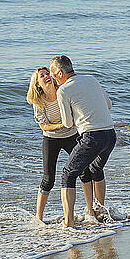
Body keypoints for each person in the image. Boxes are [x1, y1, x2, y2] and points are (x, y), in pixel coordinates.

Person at [49, 55, 117, 227]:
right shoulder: (91, 79)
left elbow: (66, 123)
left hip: (92, 137)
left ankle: (68, 222)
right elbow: (108, 104)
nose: (50, 76)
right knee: (96, 169)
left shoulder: (63, 90)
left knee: (68, 173)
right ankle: (100, 212)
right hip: (110, 134)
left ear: (59, 73)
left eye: (51, 72)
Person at [26, 67, 92, 222]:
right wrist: (62, 125)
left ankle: (91, 211)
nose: (46, 76)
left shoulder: (63, 90)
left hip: (71, 136)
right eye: (41, 76)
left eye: (47, 73)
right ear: (37, 84)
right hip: (51, 139)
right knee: (48, 179)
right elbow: (44, 126)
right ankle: (39, 218)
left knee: (84, 171)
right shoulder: (39, 100)